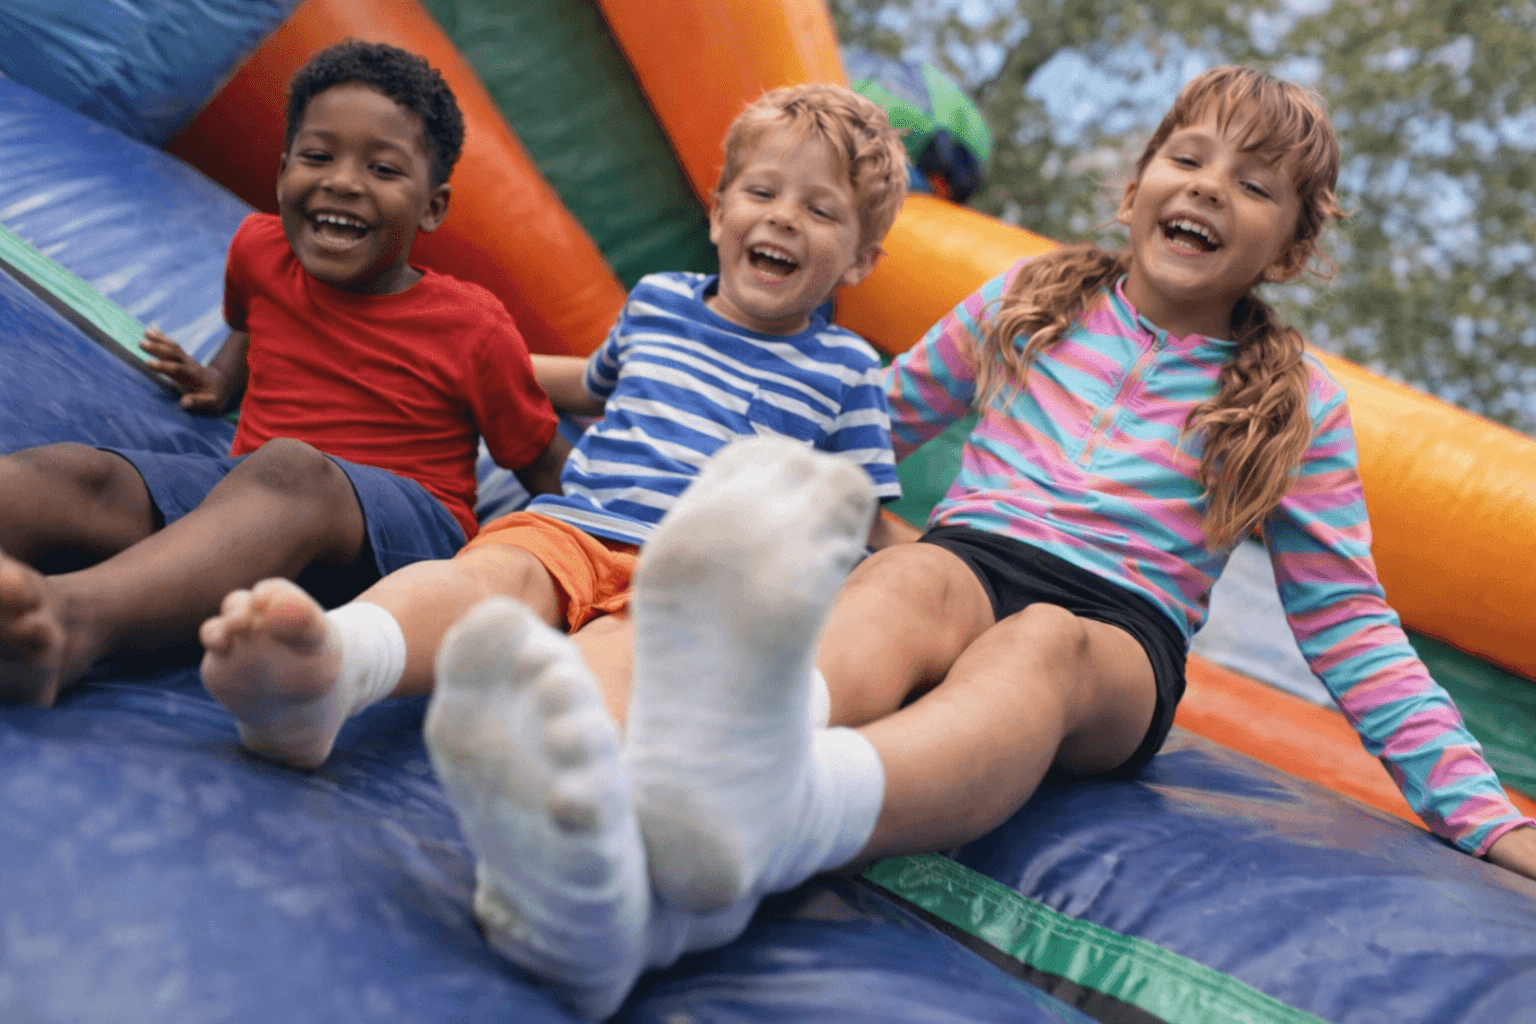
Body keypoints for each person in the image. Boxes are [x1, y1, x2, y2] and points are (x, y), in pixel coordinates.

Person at [414, 65, 1536, 1020]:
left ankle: (795, 801)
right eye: (1186, 159)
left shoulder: (1291, 404)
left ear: (1288, 249)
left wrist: (1485, 820)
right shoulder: (1031, 301)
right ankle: (663, 818)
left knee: (1039, 642)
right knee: (907, 572)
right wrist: (656, 442)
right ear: (1137, 184)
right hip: (968, 553)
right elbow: (863, 420)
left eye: (1254, 186)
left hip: (1115, 632)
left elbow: (1350, 625)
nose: (1207, 189)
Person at [196, 82, 909, 770]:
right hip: (576, 524)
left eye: (821, 212)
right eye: (762, 193)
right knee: (482, 581)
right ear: (720, 214)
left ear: (861, 261)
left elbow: (867, 518)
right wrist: (469, 356)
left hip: (689, 578)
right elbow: (588, 384)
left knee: (611, 667)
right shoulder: (657, 303)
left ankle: (556, 775)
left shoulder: (846, 371)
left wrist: (941, 567)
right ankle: (332, 665)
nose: (783, 217)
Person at [0, 40, 565, 708]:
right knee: (79, 473)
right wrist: (217, 382)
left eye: (382, 168)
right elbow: (251, 325)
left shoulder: (474, 327)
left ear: (432, 206)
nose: (342, 181)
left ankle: (67, 624)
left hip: (402, 536)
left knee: (293, 469)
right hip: (253, 502)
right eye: (318, 157)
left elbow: (545, 467)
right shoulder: (259, 251)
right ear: (283, 169)